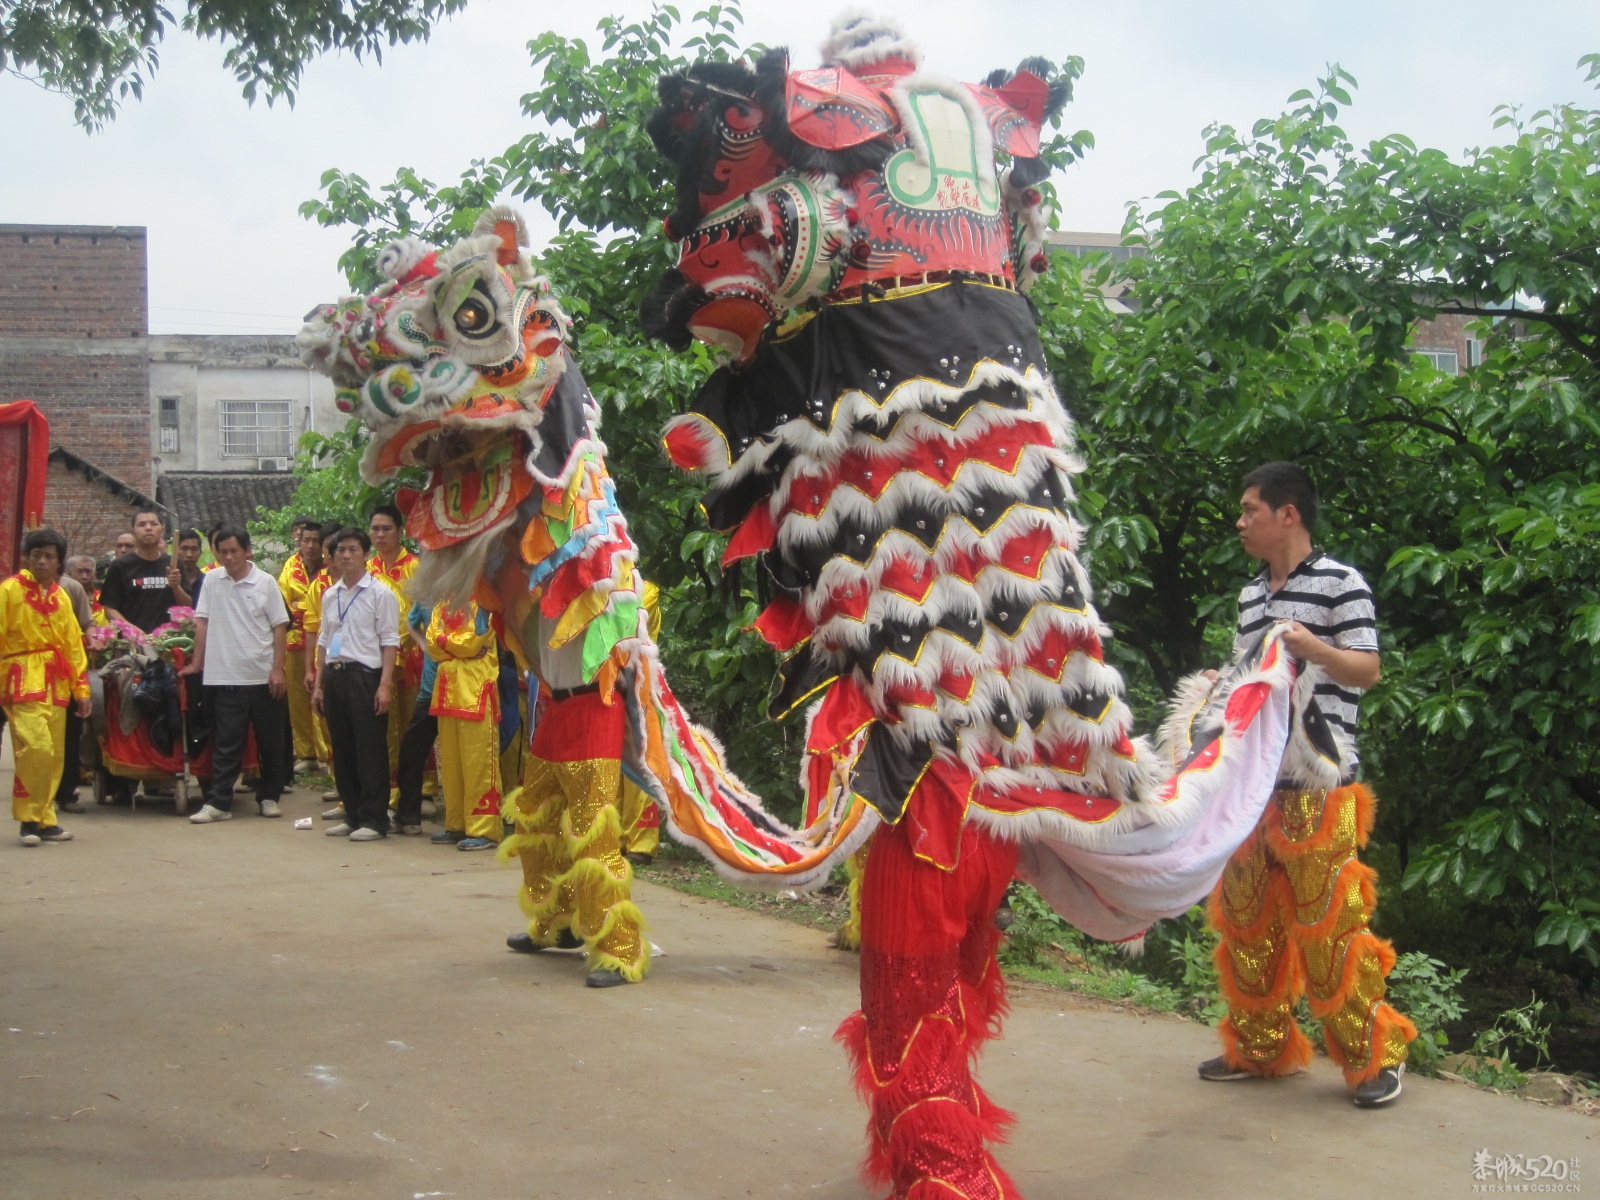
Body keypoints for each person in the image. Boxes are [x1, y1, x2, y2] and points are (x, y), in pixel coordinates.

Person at [1198, 461, 1415, 1107]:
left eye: (1249, 510)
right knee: (1245, 922)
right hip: (1250, 786)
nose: (1240, 523)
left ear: (1287, 514)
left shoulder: (1341, 583)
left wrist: (1310, 646)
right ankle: (1260, 1050)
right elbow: (1252, 681)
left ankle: (1378, 1057)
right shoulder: (1250, 594)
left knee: (1330, 932)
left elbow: (1368, 669)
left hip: (1318, 787)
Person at [182, 526, 291, 824]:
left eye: (233, 551)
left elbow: (279, 626)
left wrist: (278, 669)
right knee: (227, 742)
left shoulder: (265, 583)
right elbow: (201, 622)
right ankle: (219, 802)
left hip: (263, 675)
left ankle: (269, 797)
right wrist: (197, 663)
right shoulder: (212, 581)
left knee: (271, 742)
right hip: (224, 676)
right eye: (222, 552)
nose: (228, 557)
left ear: (247, 551)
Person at [310, 526, 400, 842]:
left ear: (365, 555)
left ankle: (374, 819)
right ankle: (351, 813)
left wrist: (385, 685)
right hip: (335, 675)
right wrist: (319, 684)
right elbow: (323, 639)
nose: (346, 556)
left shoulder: (380, 593)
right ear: (332, 556)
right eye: (340, 551)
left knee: (370, 749)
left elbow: (390, 640)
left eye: (352, 550)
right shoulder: (329, 594)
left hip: (366, 676)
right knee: (343, 748)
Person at [2, 529, 91, 846]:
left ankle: (45, 819)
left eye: (49, 556)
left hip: (57, 684)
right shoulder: (9, 591)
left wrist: (81, 690)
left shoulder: (61, 596)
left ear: (58, 562)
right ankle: (28, 818)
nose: (42, 561)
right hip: (21, 680)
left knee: (54, 755)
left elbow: (73, 645)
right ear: (26, 557)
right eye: (36, 554)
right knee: (34, 749)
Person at [423, 599, 503, 851]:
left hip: (477, 691)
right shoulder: (441, 606)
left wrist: (445, 642)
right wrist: (455, 646)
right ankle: (455, 824)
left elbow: (474, 641)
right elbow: (431, 645)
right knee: (451, 763)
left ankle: (485, 829)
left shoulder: (484, 604)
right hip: (447, 692)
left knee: (479, 763)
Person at [366, 504, 426, 808]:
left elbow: (424, 611)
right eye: (375, 529)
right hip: (378, 658)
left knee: (414, 723)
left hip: (413, 654)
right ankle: (389, 785)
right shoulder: (368, 569)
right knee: (385, 723)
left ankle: (423, 787)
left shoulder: (414, 566)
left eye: (386, 528)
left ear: (400, 532)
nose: (380, 534)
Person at [279, 516, 328, 775]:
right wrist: (302, 610)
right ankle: (306, 752)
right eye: (306, 540)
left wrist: (304, 609)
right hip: (294, 641)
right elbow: (284, 603)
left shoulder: (329, 569)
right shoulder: (290, 566)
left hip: (323, 642)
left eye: (316, 541)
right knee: (298, 698)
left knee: (321, 695)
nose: (310, 546)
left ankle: (326, 754)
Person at [395, 603, 439, 836]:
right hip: (430, 688)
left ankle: (465, 822)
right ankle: (408, 815)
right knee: (412, 750)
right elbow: (411, 623)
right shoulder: (426, 595)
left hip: (464, 689)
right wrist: (423, 644)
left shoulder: (472, 590)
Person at [101, 509, 176, 633]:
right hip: (132, 643)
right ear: (133, 532)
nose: (148, 528)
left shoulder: (174, 564)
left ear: (162, 531)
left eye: (153, 524)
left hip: (168, 642)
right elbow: (109, 609)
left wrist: (176, 586)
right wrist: (131, 630)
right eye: (142, 524)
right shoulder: (119, 566)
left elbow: (187, 605)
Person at [167, 528, 205, 608]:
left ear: (201, 553)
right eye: (184, 548)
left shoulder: (207, 582)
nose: (189, 554)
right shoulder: (167, 581)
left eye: (194, 549)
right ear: (175, 551)